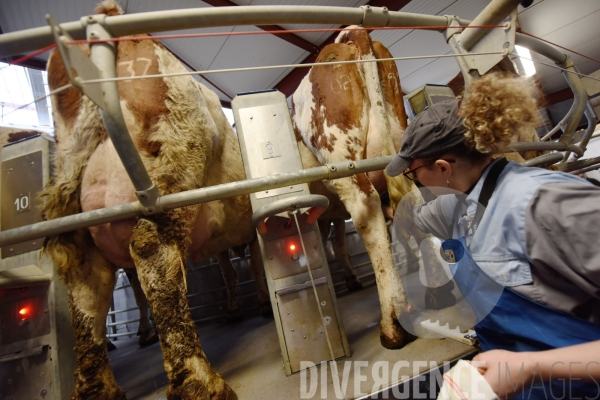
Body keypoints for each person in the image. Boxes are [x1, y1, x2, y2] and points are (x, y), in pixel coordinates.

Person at [385, 72, 600, 399]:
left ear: (443, 168)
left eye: (412, 174)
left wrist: (532, 367)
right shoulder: (456, 210)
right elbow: (416, 218)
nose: (412, 181)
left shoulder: (547, 204)